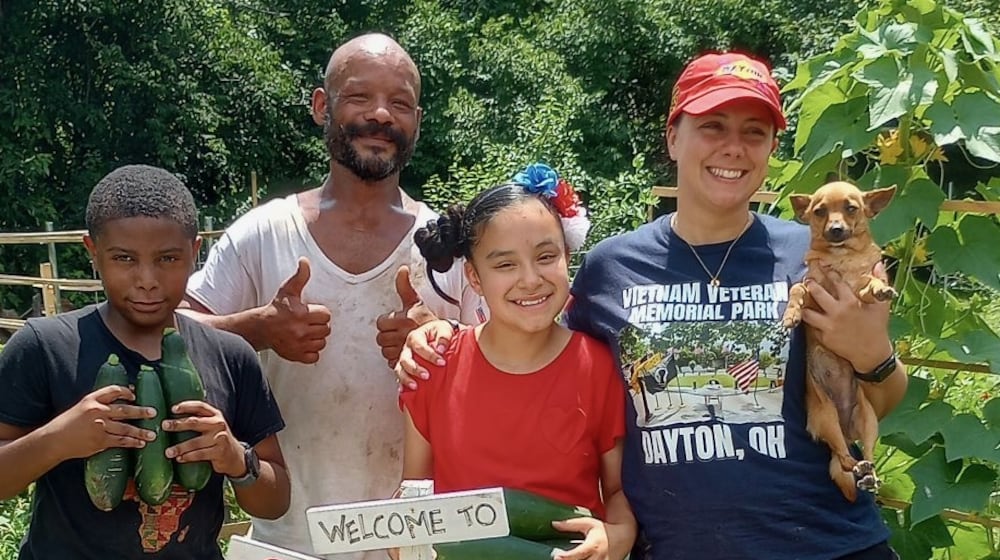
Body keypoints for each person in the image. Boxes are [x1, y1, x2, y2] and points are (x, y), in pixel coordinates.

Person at [392, 52, 908, 560]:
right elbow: (537, 345)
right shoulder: (612, 268)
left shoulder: (814, 256)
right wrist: (442, 338)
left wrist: (875, 356)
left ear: (772, 146)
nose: (733, 147)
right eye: (713, 126)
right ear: (673, 137)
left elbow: (875, 398)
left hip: (827, 544)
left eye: (754, 132)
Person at [181, 33, 482, 557]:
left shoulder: (451, 249)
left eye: (401, 103)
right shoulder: (263, 234)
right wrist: (256, 329)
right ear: (323, 106)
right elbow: (166, 334)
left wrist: (445, 348)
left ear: (418, 121)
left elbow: (519, 366)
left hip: (416, 544)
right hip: (286, 540)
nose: (381, 115)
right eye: (360, 97)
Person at [0, 164, 289, 559]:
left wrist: (236, 459)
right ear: (93, 253)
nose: (147, 279)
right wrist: (60, 440)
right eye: (124, 259)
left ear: (194, 252)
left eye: (167, 259)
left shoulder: (230, 356)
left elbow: (276, 500)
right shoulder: (44, 348)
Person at [397, 163, 636, 560]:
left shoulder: (598, 366)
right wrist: (400, 540)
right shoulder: (432, 367)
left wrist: (620, 532)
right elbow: (413, 493)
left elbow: (617, 489)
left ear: (568, 257)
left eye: (546, 256)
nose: (530, 279)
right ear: (474, 278)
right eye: (505, 264)